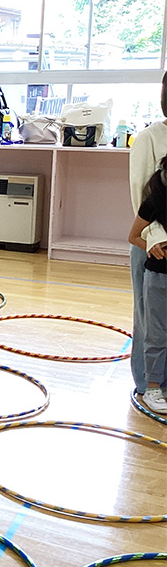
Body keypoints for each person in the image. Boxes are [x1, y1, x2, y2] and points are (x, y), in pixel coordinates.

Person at [128, 72, 167, 397]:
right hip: (154, 244)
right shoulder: (149, 138)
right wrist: (153, 237)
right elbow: (141, 195)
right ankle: (149, 385)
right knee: (150, 320)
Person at [127, 157, 167, 414]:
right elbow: (133, 237)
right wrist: (152, 248)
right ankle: (152, 386)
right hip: (158, 277)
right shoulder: (155, 202)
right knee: (156, 332)